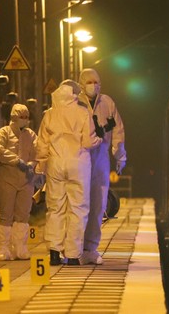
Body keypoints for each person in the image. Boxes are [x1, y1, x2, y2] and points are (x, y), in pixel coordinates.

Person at [35, 80, 100, 266]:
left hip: (55, 164)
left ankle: (54, 253)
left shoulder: (49, 114)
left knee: (55, 208)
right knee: (78, 209)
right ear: (73, 94)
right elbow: (88, 142)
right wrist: (99, 139)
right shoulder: (82, 113)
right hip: (78, 164)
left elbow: (41, 145)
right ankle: (72, 255)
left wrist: (41, 165)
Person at [77, 68, 127, 265]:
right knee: (79, 206)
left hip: (100, 160)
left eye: (96, 81)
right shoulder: (75, 103)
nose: (93, 85)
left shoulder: (107, 103)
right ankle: (74, 247)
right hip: (79, 158)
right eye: (89, 81)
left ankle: (90, 248)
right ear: (81, 83)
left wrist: (120, 155)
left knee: (98, 204)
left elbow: (118, 130)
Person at [0, 103, 37, 261]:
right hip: (7, 179)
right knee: (5, 214)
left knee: (23, 215)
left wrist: (31, 165)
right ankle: (3, 247)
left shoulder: (31, 135)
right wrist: (17, 161)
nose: (24, 120)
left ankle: (20, 247)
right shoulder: (4, 133)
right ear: (14, 117)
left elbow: (38, 152)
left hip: (26, 180)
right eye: (21, 117)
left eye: (26, 117)